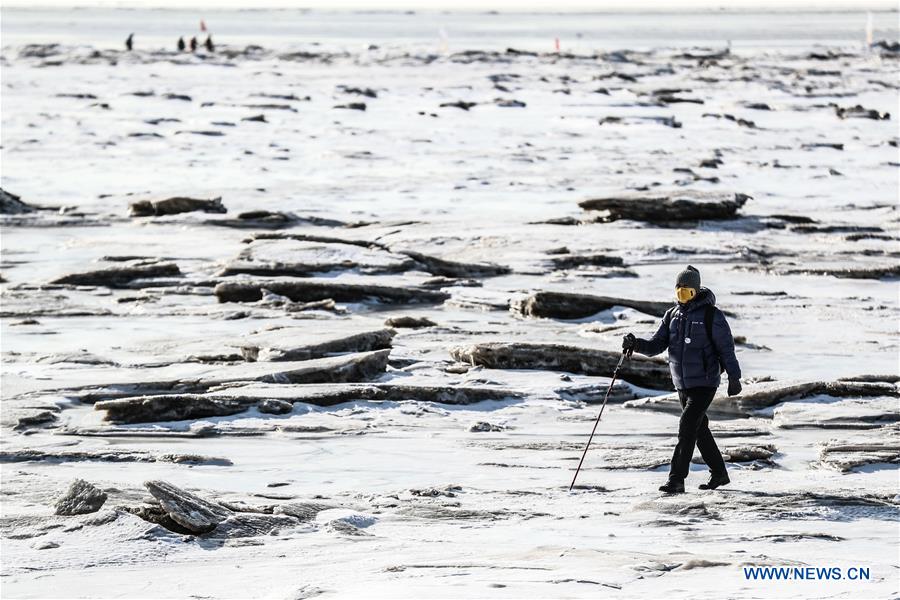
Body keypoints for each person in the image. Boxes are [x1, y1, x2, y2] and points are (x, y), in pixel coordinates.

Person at [622, 265, 742, 494]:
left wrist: (734, 378)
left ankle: (676, 479)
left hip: (705, 382)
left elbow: (726, 348)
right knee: (699, 430)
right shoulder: (672, 315)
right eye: (679, 293)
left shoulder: (711, 315)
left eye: (687, 293)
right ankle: (720, 473)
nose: (683, 298)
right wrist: (636, 343)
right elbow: (657, 345)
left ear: (696, 292)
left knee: (687, 427)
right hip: (682, 383)